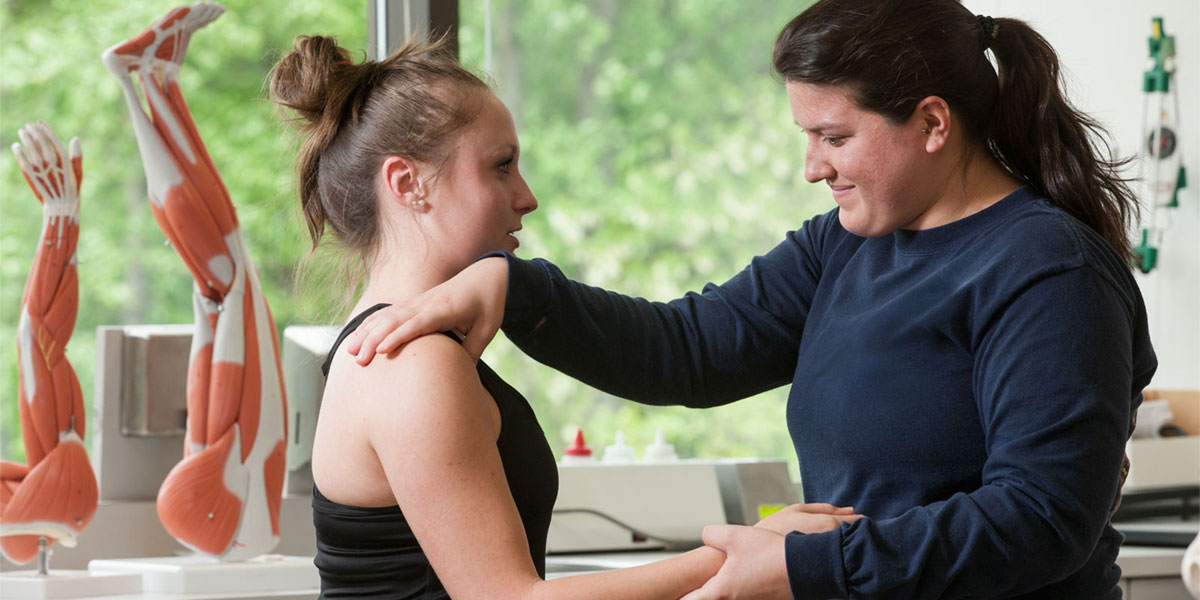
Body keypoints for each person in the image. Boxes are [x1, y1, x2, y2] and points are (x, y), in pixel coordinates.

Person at [343, 0, 1158, 598]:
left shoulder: (1049, 272)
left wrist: (807, 567)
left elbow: (1042, 517)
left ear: (933, 124)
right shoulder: (846, 245)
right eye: (805, 138)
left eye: (834, 137)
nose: (813, 167)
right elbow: (689, 349)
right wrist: (520, 289)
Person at [269, 33, 858, 600]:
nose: (526, 197)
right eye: (500, 166)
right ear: (408, 183)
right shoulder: (413, 365)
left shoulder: (405, 348)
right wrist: (747, 551)